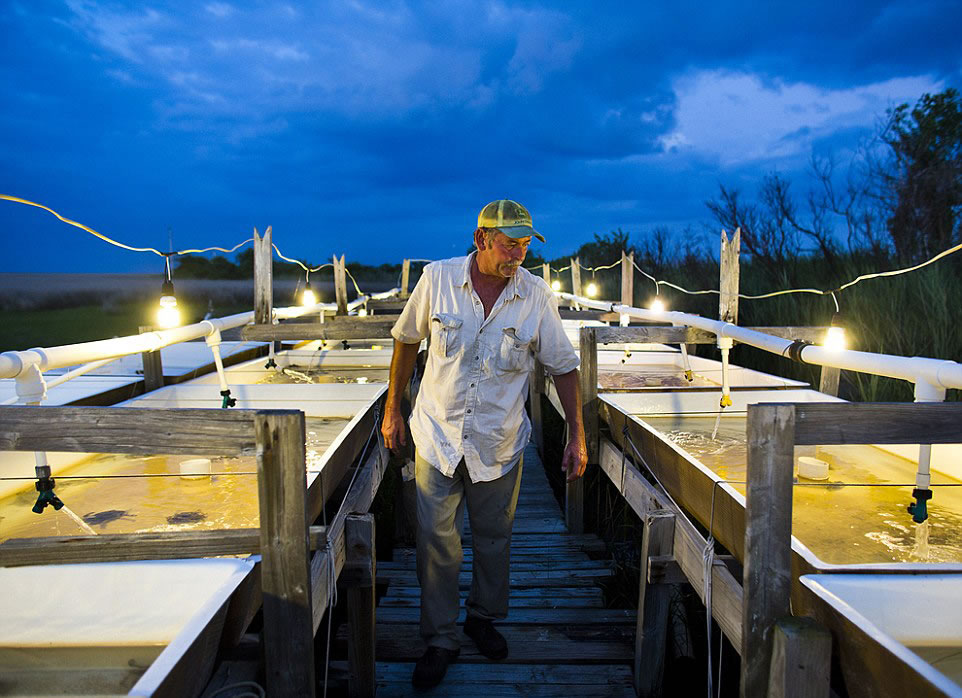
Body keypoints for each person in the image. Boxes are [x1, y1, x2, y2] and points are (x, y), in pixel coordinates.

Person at [381, 199, 589, 689]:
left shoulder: (536, 295)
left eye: (524, 245)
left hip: (499, 440)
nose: (518, 254)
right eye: (508, 244)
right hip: (437, 432)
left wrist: (577, 436)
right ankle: (441, 637)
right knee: (437, 543)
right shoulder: (436, 280)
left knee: (494, 539)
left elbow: (563, 366)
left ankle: (483, 617)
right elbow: (406, 340)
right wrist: (394, 409)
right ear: (481, 239)